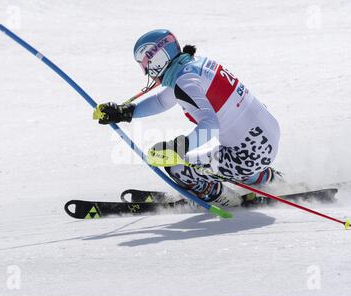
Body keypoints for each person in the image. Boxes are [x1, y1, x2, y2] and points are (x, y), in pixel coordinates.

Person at [93, 29, 281, 207]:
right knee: (229, 158)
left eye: (145, 65)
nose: (146, 72)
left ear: (157, 60)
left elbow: (210, 125)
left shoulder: (185, 81)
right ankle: (267, 178)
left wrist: (177, 148)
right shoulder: (195, 66)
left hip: (248, 155)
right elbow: (161, 101)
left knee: (175, 167)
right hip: (266, 139)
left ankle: (219, 197)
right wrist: (126, 112)